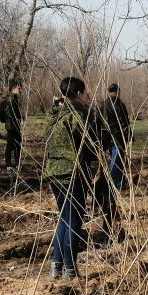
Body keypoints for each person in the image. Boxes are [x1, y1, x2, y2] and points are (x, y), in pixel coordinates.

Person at [44, 77, 101, 280]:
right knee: (74, 221)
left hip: (53, 173)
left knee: (64, 219)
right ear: (78, 94)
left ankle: (56, 266)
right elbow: (91, 146)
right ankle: (70, 269)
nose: (88, 96)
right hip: (71, 175)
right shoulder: (77, 117)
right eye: (86, 93)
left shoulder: (56, 117)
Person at [101, 83, 131, 189]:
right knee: (117, 159)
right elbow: (124, 122)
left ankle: (120, 181)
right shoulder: (118, 103)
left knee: (116, 158)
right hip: (117, 136)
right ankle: (114, 182)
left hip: (106, 137)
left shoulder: (103, 104)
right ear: (117, 91)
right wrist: (128, 135)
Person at [3, 80, 23, 170]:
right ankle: (8, 165)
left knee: (18, 145)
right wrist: (17, 119)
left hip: (16, 126)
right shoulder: (10, 99)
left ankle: (18, 164)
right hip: (11, 127)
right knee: (10, 146)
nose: (21, 89)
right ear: (13, 88)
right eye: (19, 88)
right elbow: (8, 112)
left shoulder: (15, 98)